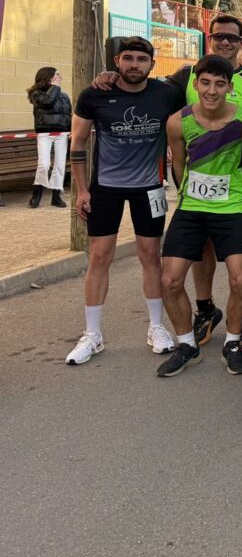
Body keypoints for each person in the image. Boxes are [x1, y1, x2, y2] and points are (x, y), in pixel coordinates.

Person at [94, 13, 242, 344]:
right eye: (219, 36)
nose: (225, 42)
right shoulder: (187, 75)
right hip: (195, 194)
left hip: (232, 194)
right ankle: (205, 308)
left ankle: (236, 321)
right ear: (210, 38)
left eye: (232, 37)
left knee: (237, 268)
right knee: (200, 251)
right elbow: (147, 88)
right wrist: (114, 75)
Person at [66, 37, 184, 364]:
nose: (134, 64)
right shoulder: (95, 94)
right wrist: (82, 191)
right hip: (105, 187)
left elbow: (184, 127)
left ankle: (156, 327)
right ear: (117, 61)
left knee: (150, 255)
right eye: (128, 58)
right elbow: (77, 143)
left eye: (141, 59)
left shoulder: (167, 94)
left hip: (150, 188)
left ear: (152, 64)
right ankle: (92, 335)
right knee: (100, 257)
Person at [156, 55, 242, 377]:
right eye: (205, 82)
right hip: (190, 207)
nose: (212, 90)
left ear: (230, 87)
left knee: (241, 278)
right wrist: (188, 194)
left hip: (231, 208)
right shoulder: (178, 121)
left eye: (220, 84)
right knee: (170, 279)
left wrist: (235, 199)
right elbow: (178, 164)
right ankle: (187, 344)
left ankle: (231, 343)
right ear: (196, 84)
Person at [26, 66, 72, 208]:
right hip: (45, 133)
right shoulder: (36, 93)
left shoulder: (63, 95)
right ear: (48, 77)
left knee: (59, 165)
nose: (60, 78)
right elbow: (47, 102)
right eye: (57, 75)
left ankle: (56, 196)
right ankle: (37, 194)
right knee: (44, 164)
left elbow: (68, 114)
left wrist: (71, 130)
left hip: (62, 134)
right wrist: (55, 87)